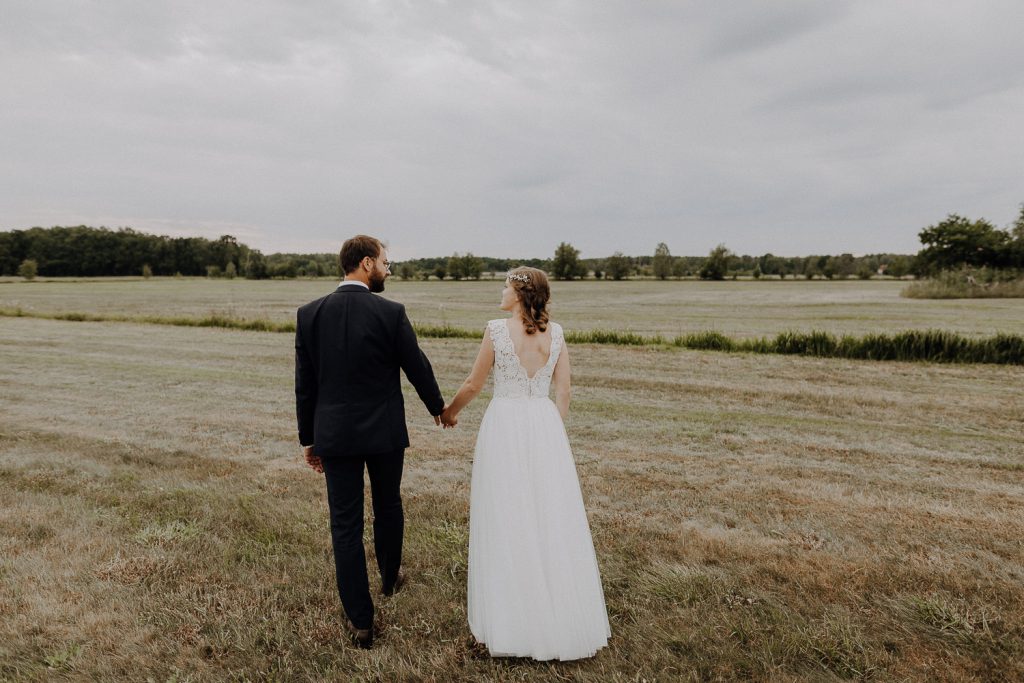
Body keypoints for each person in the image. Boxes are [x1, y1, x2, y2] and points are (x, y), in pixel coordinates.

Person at [440, 266, 610, 660]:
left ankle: (512, 619)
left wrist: (449, 413)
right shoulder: (558, 332)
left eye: (504, 286)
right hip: (544, 425)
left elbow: (473, 384)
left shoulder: (497, 330)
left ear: (519, 293)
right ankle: (556, 614)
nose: (500, 291)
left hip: (505, 425)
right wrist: (552, 427)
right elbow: (563, 389)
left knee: (507, 513)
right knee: (548, 514)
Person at [295, 235, 446, 650]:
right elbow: (417, 364)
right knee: (388, 505)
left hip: (335, 436)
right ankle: (390, 578)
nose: (388, 269)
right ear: (366, 264)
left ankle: (361, 621)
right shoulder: (390, 312)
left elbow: (305, 386)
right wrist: (437, 406)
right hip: (383, 433)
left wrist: (309, 439)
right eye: (385, 262)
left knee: (345, 525)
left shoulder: (310, 314)